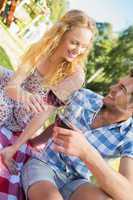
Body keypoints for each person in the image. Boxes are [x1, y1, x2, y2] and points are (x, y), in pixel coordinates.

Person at [0, 9, 96, 199]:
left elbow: (43, 113)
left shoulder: (75, 75)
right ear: (61, 35)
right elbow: (12, 87)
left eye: (84, 46)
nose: (78, 50)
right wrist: (24, 95)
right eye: (74, 42)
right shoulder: (42, 50)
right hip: (17, 91)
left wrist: (15, 147)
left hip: (26, 112)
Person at [22, 72, 133, 200]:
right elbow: (57, 123)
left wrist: (86, 152)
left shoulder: (129, 135)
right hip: (45, 163)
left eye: (122, 89)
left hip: (77, 181)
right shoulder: (84, 96)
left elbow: (128, 195)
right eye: (118, 84)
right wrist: (33, 142)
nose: (112, 88)